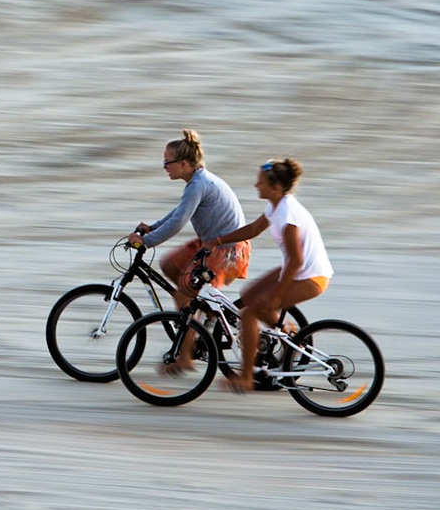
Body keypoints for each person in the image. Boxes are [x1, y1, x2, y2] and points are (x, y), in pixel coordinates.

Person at [202, 158, 332, 392]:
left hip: (310, 277)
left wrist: (276, 295)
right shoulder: (276, 206)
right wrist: (217, 241)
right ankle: (289, 336)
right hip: (295, 271)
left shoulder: (287, 215)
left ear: (276, 187)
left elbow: (296, 261)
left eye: (260, 182)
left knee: (251, 313)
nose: (255, 185)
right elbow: (253, 229)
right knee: (249, 295)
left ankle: (246, 377)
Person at [126, 127, 250, 311]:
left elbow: (178, 222)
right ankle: (203, 312)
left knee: (183, 295)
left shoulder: (198, 185)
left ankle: (192, 329)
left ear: (183, 163)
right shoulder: (197, 181)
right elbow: (180, 211)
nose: (164, 166)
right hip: (211, 245)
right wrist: (153, 227)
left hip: (227, 250)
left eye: (168, 162)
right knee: (169, 266)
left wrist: (146, 241)